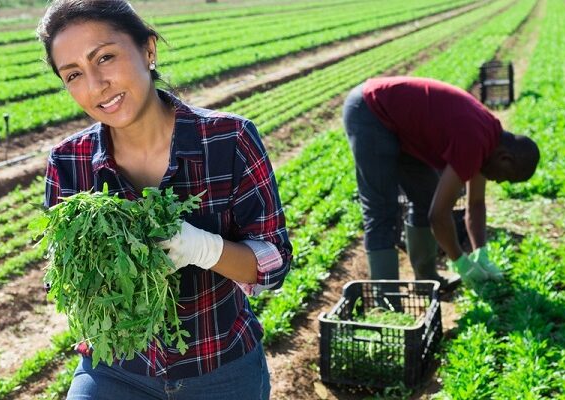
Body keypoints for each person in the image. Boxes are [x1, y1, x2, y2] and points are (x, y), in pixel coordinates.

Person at [37, 1, 291, 398]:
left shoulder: (229, 140)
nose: (95, 85)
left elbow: (274, 264)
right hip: (115, 369)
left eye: (105, 57)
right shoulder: (70, 162)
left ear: (148, 50)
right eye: (73, 74)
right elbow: (68, 276)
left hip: (220, 367)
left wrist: (202, 248)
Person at [342, 76, 539, 290]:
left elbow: (476, 203)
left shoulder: (491, 142)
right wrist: (461, 261)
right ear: (505, 159)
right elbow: (439, 216)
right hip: (371, 110)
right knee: (382, 210)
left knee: (426, 197)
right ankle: (387, 300)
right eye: (505, 177)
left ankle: (426, 280)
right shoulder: (474, 142)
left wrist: (481, 252)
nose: (498, 180)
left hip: (403, 126)